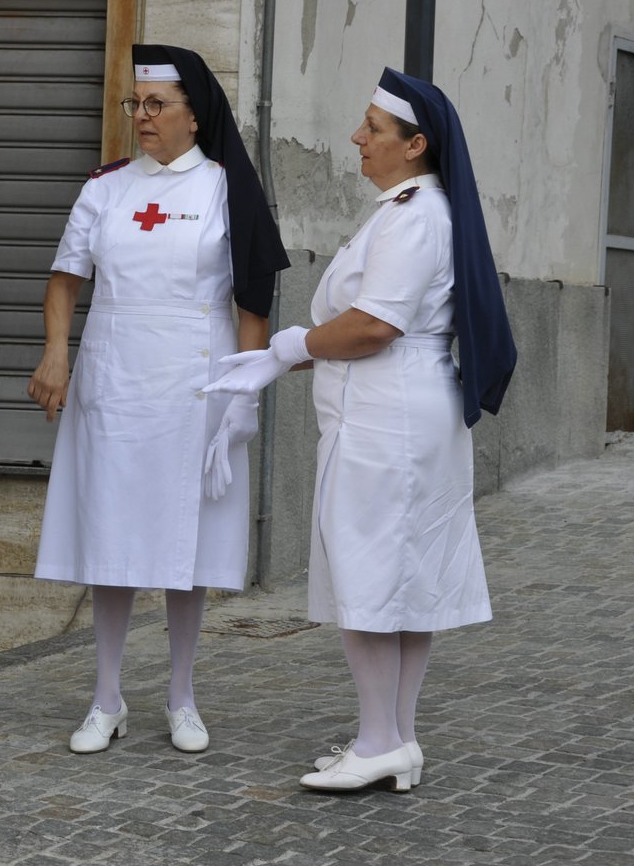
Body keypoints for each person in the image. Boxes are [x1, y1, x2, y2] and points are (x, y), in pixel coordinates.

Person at [205, 67, 516, 792]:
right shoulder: (405, 208)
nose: (357, 138)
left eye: (372, 129)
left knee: (372, 571)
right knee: (399, 575)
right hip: (397, 411)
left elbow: (376, 323)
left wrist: (289, 348)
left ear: (414, 144)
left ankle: (380, 737)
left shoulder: (414, 216)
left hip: (391, 418)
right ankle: (395, 737)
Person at [27, 44, 290, 756]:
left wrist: (245, 392)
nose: (141, 117)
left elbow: (252, 298)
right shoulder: (105, 190)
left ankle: (181, 693)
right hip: (114, 382)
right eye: (134, 105)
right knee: (113, 536)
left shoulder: (222, 188)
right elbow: (64, 278)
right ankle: (106, 696)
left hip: (193, 384)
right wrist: (57, 350)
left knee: (186, 544)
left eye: (155, 105)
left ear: (193, 115)